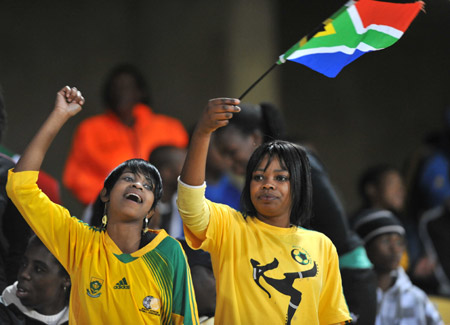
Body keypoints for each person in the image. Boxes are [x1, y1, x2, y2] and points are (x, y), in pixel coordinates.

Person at [6, 86, 198, 324]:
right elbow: (20, 188)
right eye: (128, 179)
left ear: (151, 210)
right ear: (105, 194)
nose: (137, 185)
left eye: (147, 186)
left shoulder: (169, 252)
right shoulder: (78, 241)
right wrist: (59, 115)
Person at [177, 98, 351, 324]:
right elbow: (190, 204)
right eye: (259, 177)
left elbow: (333, 317)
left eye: (280, 178)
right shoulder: (229, 227)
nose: (268, 184)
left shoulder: (322, 245)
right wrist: (202, 133)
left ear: (298, 186)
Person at [212, 101, 376, 324]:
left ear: (255, 138)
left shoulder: (299, 162)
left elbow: (338, 232)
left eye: (232, 152)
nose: (228, 162)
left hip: (345, 272)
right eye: (223, 155)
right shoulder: (258, 186)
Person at [63, 64, 189, 206]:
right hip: (109, 210)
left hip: (167, 208)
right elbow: (76, 177)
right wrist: (110, 200)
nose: (120, 93)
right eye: (115, 88)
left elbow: (188, 171)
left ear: (140, 92)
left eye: (127, 87)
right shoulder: (90, 129)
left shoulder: (170, 127)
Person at [352, 208, 443, 325]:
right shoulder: (349, 295)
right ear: (365, 248)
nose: (395, 249)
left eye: (399, 242)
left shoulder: (416, 299)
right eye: (385, 241)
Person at [0, 235, 71, 324]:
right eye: (24, 263)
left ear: (66, 279)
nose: (24, 274)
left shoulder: (84, 318)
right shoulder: (5, 313)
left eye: (38, 269)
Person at [148, 145, 186, 238]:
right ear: (167, 172)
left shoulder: (182, 204)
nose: (192, 171)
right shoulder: (143, 207)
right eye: (186, 165)